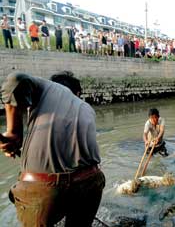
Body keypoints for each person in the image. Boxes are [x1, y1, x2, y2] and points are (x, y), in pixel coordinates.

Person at [0, 72, 105, 226]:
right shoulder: (87, 108)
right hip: (92, 184)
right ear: (78, 93)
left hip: (47, 190)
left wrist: (14, 132)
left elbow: (15, 80)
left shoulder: (47, 87)